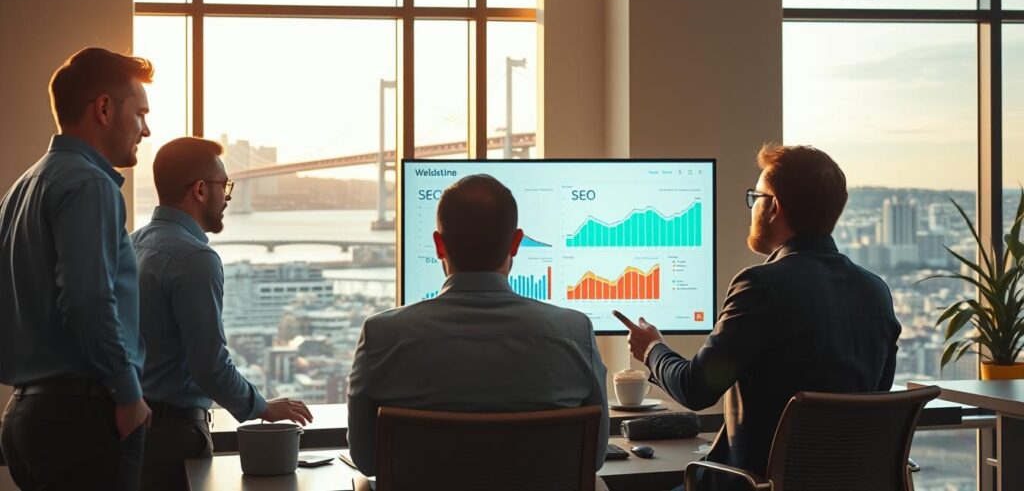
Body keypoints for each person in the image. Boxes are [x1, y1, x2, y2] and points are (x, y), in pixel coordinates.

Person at [616, 144, 901, 491]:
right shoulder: (875, 291)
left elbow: (696, 388)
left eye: (755, 198)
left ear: (774, 207)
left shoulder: (762, 286)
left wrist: (652, 349)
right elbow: (876, 396)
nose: (752, 209)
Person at [347, 174, 609, 477]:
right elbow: (594, 459)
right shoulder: (575, 333)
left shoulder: (381, 336)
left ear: (438, 245)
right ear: (516, 243)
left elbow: (366, 462)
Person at [0, 47, 154, 490]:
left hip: (26, 415)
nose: (146, 129)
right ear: (104, 108)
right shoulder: (91, 184)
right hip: (85, 419)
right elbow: (88, 300)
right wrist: (128, 395)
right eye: (140, 113)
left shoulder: (22, 188)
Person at [131, 137, 313, 491]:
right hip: (173, 435)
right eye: (224, 185)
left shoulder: (132, 243)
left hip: (134, 430)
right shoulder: (195, 258)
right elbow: (209, 366)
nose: (227, 196)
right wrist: (262, 407)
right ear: (200, 190)